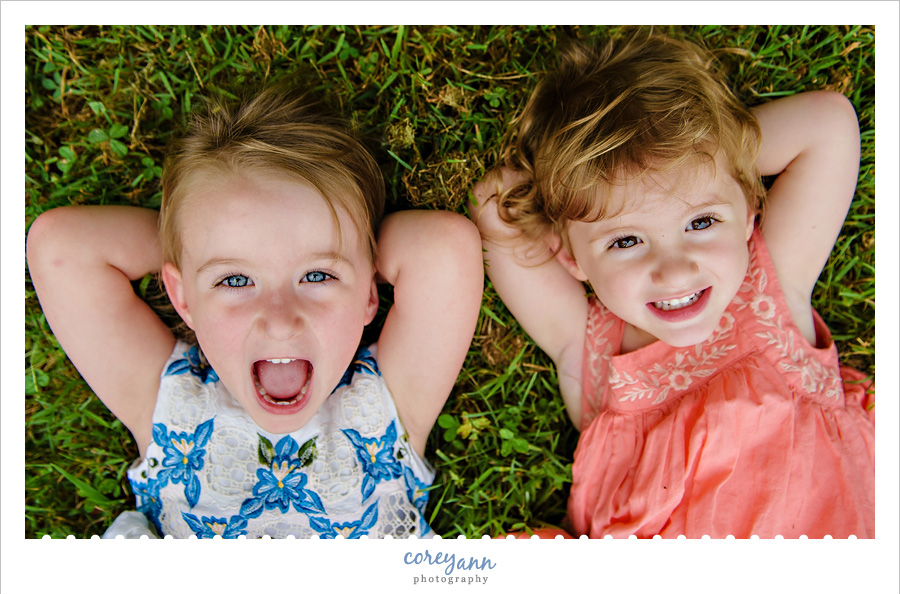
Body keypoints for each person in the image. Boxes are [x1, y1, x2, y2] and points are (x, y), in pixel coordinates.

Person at [27, 86, 484, 539]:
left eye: (318, 276)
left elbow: (444, 251)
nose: (280, 320)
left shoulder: (388, 408)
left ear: (369, 291)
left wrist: (226, 253)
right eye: (235, 280)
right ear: (183, 298)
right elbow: (61, 248)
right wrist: (197, 241)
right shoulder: (170, 409)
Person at [469, 32, 875, 539]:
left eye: (702, 223)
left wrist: (713, 156)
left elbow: (830, 123)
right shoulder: (588, 348)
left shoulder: (770, 290)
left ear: (749, 212)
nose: (675, 270)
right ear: (571, 256)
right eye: (626, 241)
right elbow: (494, 202)